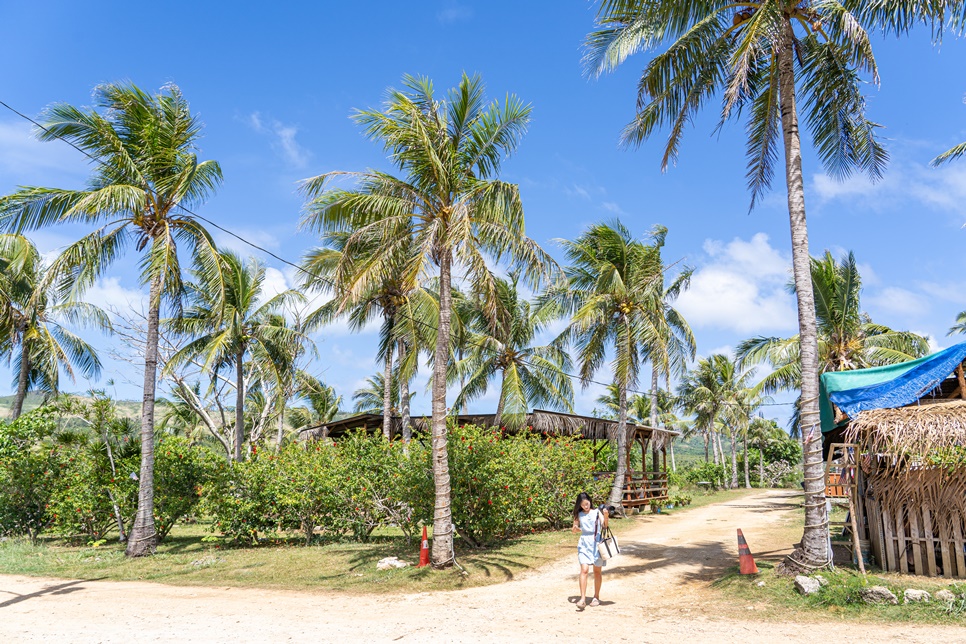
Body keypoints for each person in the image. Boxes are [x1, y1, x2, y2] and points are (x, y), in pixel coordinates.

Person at [571, 491, 608, 609]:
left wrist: (606, 516)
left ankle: (596, 597)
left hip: (596, 542)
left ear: (590, 501)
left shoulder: (597, 512)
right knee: (584, 570)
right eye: (582, 505)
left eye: (586, 504)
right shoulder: (579, 514)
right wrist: (576, 529)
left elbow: (605, 526)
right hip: (584, 543)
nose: (585, 507)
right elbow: (574, 529)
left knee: (597, 571)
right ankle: (582, 599)